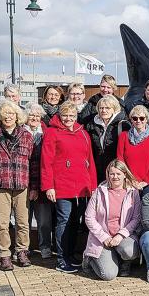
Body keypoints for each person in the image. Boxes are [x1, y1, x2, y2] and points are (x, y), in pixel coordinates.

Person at [41, 101, 98, 273]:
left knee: (75, 222)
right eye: (65, 115)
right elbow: (46, 161)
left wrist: (93, 185)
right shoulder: (52, 133)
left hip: (81, 187)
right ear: (59, 115)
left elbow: (90, 162)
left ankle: (70, 254)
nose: (68, 119)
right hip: (62, 186)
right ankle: (61, 258)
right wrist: (48, 186)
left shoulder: (83, 133)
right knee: (64, 221)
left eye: (72, 116)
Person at [0, 101, 35, 271]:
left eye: (12, 114)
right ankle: (4, 255)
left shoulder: (26, 136)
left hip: (22, 185)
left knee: (23, 222)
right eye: (5, 114)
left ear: (17, 116)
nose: (8, 117)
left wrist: (34, 187)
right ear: (0, 116)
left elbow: (33, 164)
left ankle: (22, 251)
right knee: (2, 223)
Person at [83, 160, 141, 280]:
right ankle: (89, 259)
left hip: (123, 236)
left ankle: (123, 261)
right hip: (102, 238)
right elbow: (89, 217)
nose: (115, 177)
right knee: (108, 275)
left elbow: (136, 218)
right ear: (108, 174)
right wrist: (104, 237)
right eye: (112, 174)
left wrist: (120, 235)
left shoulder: (133, 193)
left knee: (129, 251)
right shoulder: (99, 192)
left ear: (125, 174)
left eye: (118, 174)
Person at [23, 102, 53, 258]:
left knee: (44, 220)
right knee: (23, 219)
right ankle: (23, 247)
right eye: (31, 115)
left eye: (37, 115)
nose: (34, 118)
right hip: (24, 182)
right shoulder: (20, 132)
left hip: (42, 182)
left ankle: (45, 246)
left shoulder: (47, 132)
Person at [116, 105, 149, 193]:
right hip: (129, 182)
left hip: (148, 184)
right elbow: (120, 159)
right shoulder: (124, 136)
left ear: (146, 119)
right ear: (131, 120)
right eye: (135, 118)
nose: (138, 121)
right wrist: (129, 179)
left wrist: (146, 181)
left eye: (141, 118)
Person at [86, 95, 129, 183]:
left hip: (116, 170)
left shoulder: (123, 125)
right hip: (98, 170)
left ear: (114, 109)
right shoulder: (91, 125)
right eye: (101, 108)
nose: (104, 110)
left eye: (107, 108)